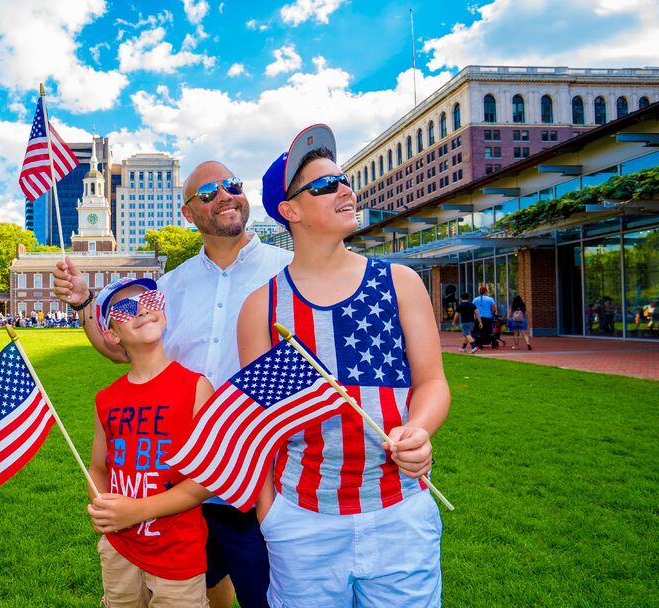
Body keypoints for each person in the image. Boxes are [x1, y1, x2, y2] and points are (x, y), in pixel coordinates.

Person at [56, 160, 293, 608]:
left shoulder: (288, 270)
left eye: (231, 185)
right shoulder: (168, 288)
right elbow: (127, 349)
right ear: (188, 212)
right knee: (200, 583)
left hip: (260, 472)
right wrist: (87, 302)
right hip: (177, 478)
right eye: (208, 193)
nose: (224, 195)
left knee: (268, 592)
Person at [236, 124, 448, 607]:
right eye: (325, 185)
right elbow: (257, 425)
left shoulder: (402, 282)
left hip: (400, 512)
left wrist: (418, 430)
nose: (346, 189)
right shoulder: (261, 307)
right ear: (290, 211)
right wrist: (272, 515)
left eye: (344, 178)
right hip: (301, 520)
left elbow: (432, 382)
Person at [88, 277, 214, 608]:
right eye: (126, 308)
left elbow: (207, 480)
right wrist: (105, 509)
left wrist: (137, 511)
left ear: (165, 314)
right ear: (112, 334)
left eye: (151, 301)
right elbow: (98, 468)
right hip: (120, 550)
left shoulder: (196, 387)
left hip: (177, 552)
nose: (142, 309)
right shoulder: (107, 399)